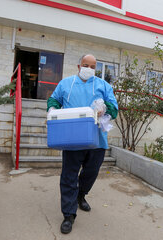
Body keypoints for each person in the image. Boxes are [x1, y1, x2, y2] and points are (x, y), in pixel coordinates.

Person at [46, 54, 118, 234]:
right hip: (72, 138)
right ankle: (68, 215)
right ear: (79, 66)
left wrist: (105, 109)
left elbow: (114, 109)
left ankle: (80, 195)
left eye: (93, 66)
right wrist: (52, 109)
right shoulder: (66, 84)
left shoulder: (103, 85)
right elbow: (53, 100)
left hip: (97, 140)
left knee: (91, 172)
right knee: (69, 176)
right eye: (86, 65)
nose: (89, 69)